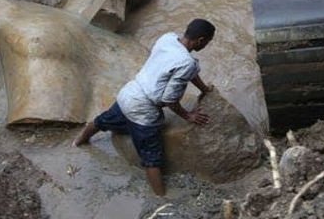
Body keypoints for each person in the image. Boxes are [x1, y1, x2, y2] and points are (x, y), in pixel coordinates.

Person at [73, 18, 216, 196]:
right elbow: (170, 99)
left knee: (103, 120)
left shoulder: (168, 39)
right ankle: (160, 198)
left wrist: (204, 89)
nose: (207, 45)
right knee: (152, 158)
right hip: (142, 107)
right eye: (208, 41)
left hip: (129, 92)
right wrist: (189, 116)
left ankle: (79, 142)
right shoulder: (186, 63)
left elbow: (187, 71)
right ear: (201, 40)